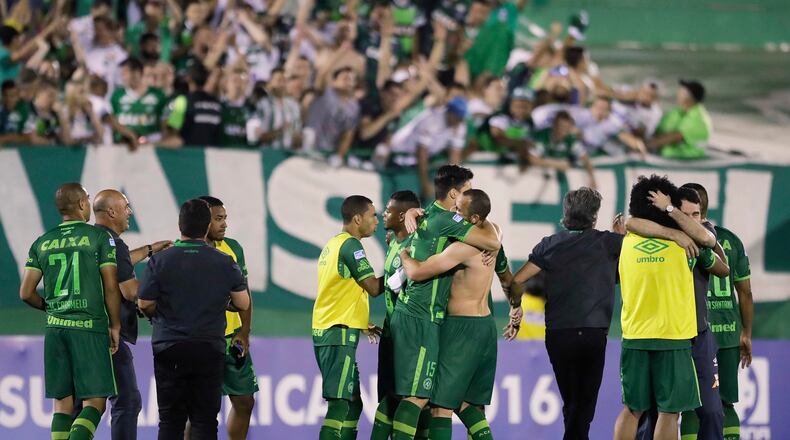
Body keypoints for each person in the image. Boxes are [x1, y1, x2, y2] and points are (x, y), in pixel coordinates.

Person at [390, 165, 501, 440]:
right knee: (448, 401)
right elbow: (493, 239)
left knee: (439, 402)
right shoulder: (457, 224)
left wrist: (404, 254)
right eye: (466, 191)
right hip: (434, 317)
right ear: (454, 194)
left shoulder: (447, 227)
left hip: (442, 320)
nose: (469, 194)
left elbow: (493, 237)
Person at [507, 187, 625, 440]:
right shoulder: (611, 243)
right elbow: (623, 275)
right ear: (594, 216)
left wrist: (515, 307)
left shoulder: (550, 245)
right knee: (582, 408)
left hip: (560, 335)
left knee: (572, 405)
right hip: (593, 334)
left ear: (566, 213)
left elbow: (516, 281)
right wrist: (621, 238)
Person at [138, 199, 250, 440]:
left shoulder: (161, 260)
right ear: (206, 225)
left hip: (169, 346)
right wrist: (222, 302)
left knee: (170, 420)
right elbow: (243, 302)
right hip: (209, 347)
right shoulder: (224, 260)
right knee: (205, 420)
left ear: (180, 225)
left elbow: (144, 303)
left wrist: (156, 316)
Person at [19, 183, 122, 440]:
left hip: (55, 330)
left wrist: (50, 307)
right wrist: (115, 325)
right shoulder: (100, 237)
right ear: (80, 205)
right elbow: (110, 285)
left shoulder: (42, 242)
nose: (88, 203)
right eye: (87, 199)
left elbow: (26, 292)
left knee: (62, 405)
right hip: (88, 328)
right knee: (95, 404)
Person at [629, 185, 730, 440]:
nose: (694, 221)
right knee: (654, 413)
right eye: (687, 214)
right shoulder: (665, 237)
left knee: (712, 413)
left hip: (698, 336)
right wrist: (673, 230)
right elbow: (632, 223)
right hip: (668, 337)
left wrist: (673, 212)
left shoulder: (701, 236)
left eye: (697, 215)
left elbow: (724, 269)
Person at [613, 175, 702, 440]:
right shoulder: (685, 244)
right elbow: (710, 243)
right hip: (672, 336)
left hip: (635, 335)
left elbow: (631, 222)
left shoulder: (624, 243)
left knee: (632, 409)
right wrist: (672, 214)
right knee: (670, 412)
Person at [92, 189, 172, 440]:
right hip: (108, 334)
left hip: (80, 330)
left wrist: (150, 249)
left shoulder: (91, 238)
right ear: (112, 211)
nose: (130, 212)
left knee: (77, 404)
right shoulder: (113, 243)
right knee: (127, 401)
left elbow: (120, 261)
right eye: (126, 206)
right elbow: (130, 291)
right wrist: (161, 291)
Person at [313, 195, 384, 440]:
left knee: (353, 403)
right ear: (357, 218)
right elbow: (373, 287)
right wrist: (404, 271)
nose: (377, 220)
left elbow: (339, 289)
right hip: (337, 332)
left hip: (335, 328)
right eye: (372, 215)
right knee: (340, 404)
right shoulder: (351, 246)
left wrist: (361, 321)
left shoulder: (333, 244)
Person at [694, 183, 754, 440]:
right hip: (729, 333)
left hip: (694, 332)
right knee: (726, 403)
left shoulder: (682, 238)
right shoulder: (731, 239)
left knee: (690, 407)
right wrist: (746, 333)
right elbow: (746, 292)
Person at [197, 196, 258, 440]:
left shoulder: (234, 248)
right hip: (202, 341)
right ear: (203, 221)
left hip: (233, 339)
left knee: (245, 402)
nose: (224, 224)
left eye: (225, 219)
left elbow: (244, 291)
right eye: (218, 219)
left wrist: (245, 330)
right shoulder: (188, 250)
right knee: (200, 410)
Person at [370, 190, 421, 440]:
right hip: (391, 330)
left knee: (414, 400)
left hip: (411, 334)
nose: (383, 213)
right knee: (389, 396)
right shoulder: (394, 243)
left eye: (388, 210)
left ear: (402, 215)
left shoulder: (417, 244)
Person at [388, 98, 469, 200]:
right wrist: (425, 184)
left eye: (461, 118)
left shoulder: (459, 125)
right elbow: (421, 154)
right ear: (449, 112)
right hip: (400, 157)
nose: (459, 121)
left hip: (420, 160)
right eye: (458, 117)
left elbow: (455, 156)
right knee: (406, 202)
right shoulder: (431, 119)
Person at [648, 79, 712, 159]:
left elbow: (674, 137)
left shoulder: (699, 118)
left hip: (690, 155)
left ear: (691, 97)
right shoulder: (679, 111)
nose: (677, 93)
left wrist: (646, 145)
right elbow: (660, 128)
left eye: (682, 92)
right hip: (670, 150)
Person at [111, 57, 168, 145]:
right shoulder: (117, 95)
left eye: (125, 72)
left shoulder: (158, 95)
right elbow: (113, 121)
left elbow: (164, 121)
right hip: (123, 144)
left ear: (137, 72)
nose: (122, 76)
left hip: (151, 144)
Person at [164, 62, 223, 147]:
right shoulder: (217, 104)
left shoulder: (182, 101)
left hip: (189, 155)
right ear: (207, 79)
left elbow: (173, 132)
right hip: (213, 156)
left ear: (188, 78)